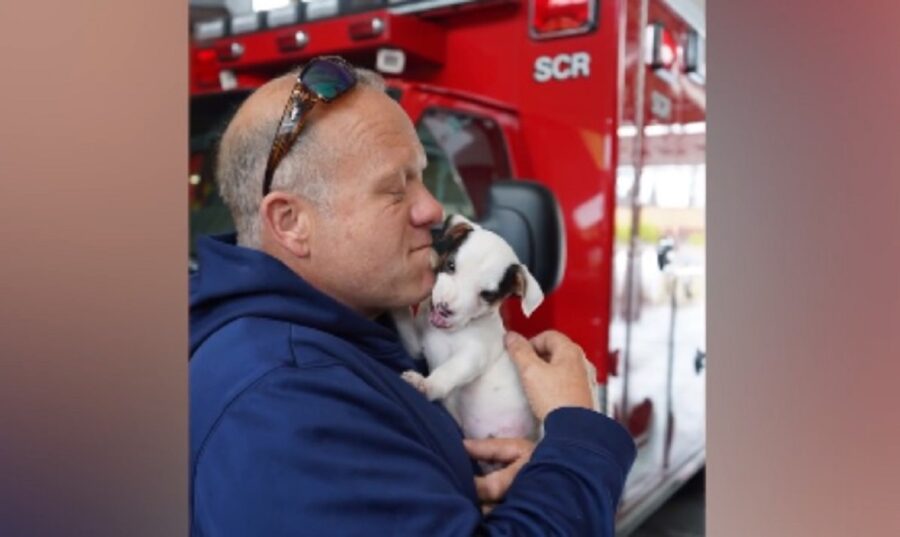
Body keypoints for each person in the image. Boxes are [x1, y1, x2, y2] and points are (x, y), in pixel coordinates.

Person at [190, 56, 636, 536]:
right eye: (395, 188)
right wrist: (577, 438)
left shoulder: (353, 329)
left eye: (421, 176)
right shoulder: (283, 404)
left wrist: (534, 483)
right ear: (291, 223)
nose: (432, 208)